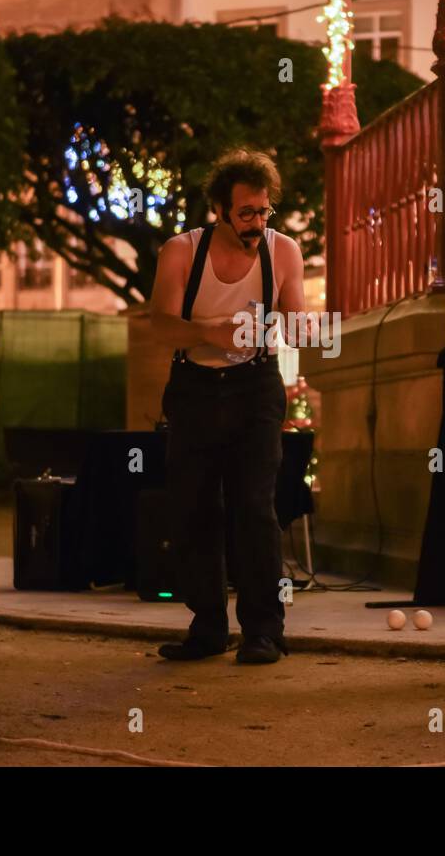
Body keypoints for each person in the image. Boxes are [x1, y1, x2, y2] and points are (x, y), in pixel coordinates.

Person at [148, 148, 309, 665]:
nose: (257, 223)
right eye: (246, 213)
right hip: (194, 385)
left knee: (255, 507)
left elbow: (296, 319)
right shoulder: (181, 251)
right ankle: (208, 626)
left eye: (264, 212)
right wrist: (207, 332)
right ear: (219, 209)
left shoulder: (283, 251)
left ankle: (264, 631)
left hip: (256, 385)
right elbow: (159, 326)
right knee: (195, 508)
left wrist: (307, 327)